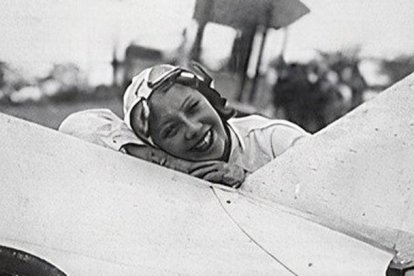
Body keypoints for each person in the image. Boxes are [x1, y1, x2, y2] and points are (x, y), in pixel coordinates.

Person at [59, 63, 310, 187]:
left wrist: (248, 181)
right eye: (170, 131)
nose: (191, 129)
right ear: (157, 146)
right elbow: (75, 126)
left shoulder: (273, 139)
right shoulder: (167, 171)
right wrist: (174, 165)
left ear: (210, 99)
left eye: (193, 108)